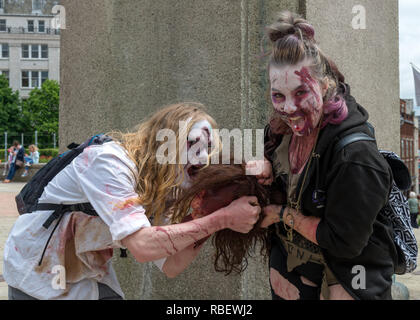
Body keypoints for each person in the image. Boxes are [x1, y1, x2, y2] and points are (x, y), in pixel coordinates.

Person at [4, 102, 261, 300]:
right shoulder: (108, 162)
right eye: (193, 143)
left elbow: (172, 264)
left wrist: (209, 210)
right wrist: (223, 219)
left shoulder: (161, 185)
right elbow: (142, 247)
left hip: (85, 273)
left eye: (208, 147)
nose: (202, 157)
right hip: (37, 274)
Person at [258, 11, 396, 300]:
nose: (289, 108)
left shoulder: (355, 157)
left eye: (300, 92)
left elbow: (343, 242)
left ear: (324, 85)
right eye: (278, 95)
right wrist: (258, 164)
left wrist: (283, 215)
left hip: (349, 280)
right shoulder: (278, 131)